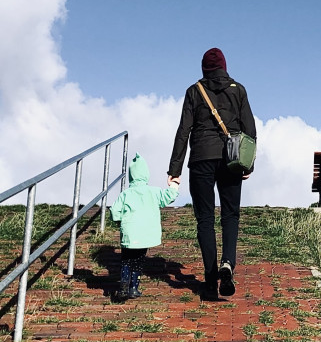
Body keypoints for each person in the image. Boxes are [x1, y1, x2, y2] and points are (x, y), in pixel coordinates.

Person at [167, 47, 256, 301]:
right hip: (231, 160)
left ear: (204, 68)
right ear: (225, 67)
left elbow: (183, 131)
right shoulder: (238, 90)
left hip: (201, 159)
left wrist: (174, 170)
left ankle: (210, 276)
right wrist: (248, 165)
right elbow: (250, 128)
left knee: (205, 219)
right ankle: (228, 263)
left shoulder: (194, 91)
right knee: (230, 214)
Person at [109, 153, 180, 303]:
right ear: (146, 174)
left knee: (126, 259)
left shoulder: (126, 194)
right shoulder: (153, 192)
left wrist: (118, 221)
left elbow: (114, 212)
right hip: (145, 234)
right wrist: (174, 184)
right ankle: (133, 288)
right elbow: (168, 197)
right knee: (139, 260)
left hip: (129, 233)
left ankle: (123, 283)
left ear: (131, 176)